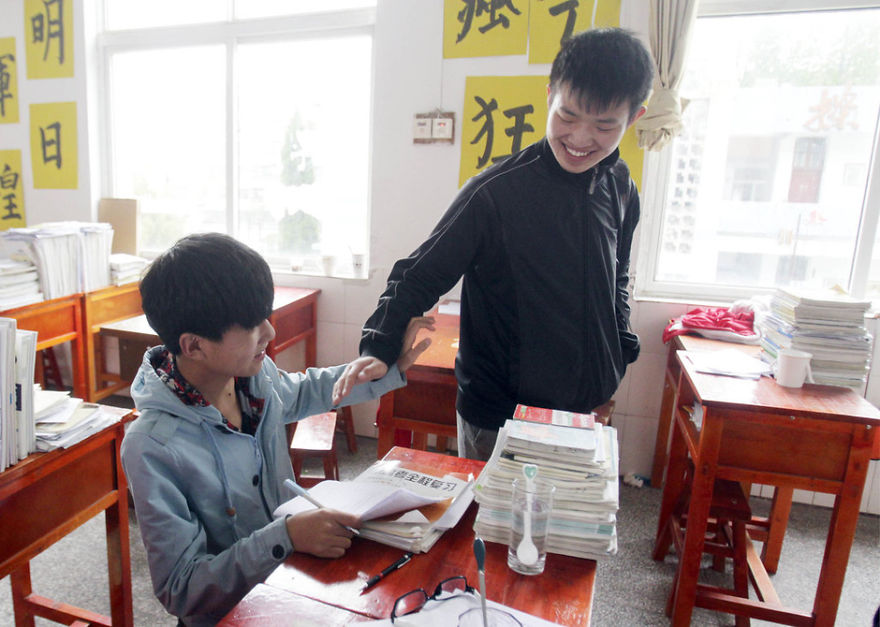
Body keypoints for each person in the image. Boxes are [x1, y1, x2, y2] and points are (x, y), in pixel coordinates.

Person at [349, 28, 654, 460]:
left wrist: (617, 351)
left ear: (634, 117)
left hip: (583, 410)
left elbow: (616, 278)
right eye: (567, 116)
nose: (581, 138)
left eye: (604, 125)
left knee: (563, 526)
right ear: (550, 96)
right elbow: (418, 276)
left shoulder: (620, 186)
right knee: (493, 527)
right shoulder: (494, 194)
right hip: (502, 417)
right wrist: (378, 347)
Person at [120, 233, 432, 626]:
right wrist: (285, 537)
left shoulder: (253, 379)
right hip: (230, 615)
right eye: (252, 326)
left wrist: (384, 367)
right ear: (194, 346)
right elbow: (181, 588)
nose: (269, 333)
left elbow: (304, 390)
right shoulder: (152, 445)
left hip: (290, 582)